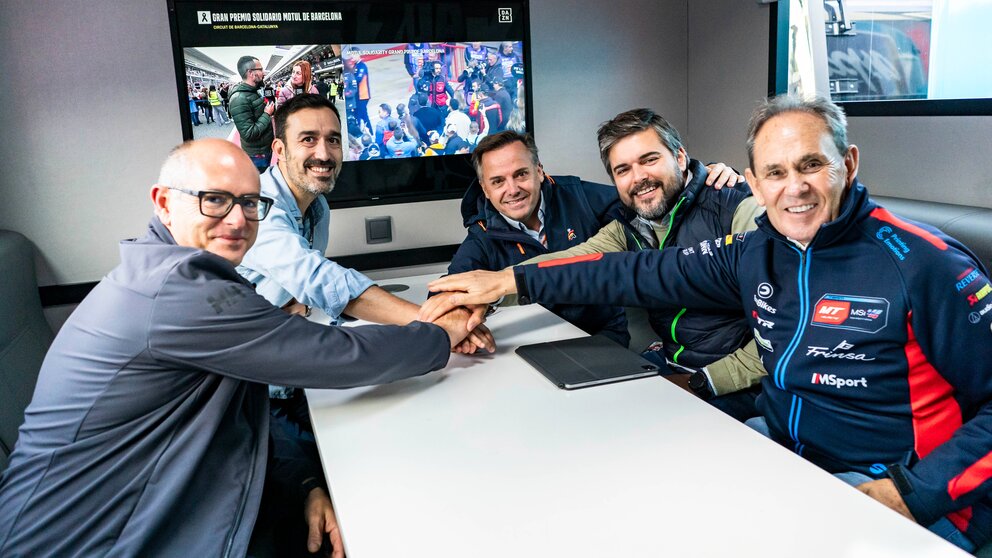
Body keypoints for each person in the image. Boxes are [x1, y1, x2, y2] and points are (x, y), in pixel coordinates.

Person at [426, 95, 992, 553]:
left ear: (848, 164)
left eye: (810, 165)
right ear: (754, 177)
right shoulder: (755, 251)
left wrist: (910, 494)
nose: (793, 188)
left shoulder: (924, 263)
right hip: (786, 451)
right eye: (775, 172)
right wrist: (506, 282)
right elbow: (625, 271)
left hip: (892, 488)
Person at [0, 138, 478, 557]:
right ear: (163, 203)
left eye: (251, 203)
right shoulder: (180, 289)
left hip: (160, 509)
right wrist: (442, 331)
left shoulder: (171, 272)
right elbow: (331, 354)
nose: (238, 220)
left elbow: (237, 415)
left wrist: (304, 482)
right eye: (214, 200)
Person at [236, 93, 493, 440]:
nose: (324, 154)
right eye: (308, 139)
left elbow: (303, 281)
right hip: (251, 390)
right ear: (279, 150)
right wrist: (431, 323)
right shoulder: (260, 207)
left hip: (289, 370)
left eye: (333, 140)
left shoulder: (317, 206)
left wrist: (289, 299)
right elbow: (316, 277)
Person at [505, 108, 766, 421]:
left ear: (680, 158)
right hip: (673, 364)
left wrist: (706, 381)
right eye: (623, 169)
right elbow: (572, 262)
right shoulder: (630, 224)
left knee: (636, 430)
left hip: (742, 385)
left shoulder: (738, 208)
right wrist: (489, 290)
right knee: (571, 410)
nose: (639, 177)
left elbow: (779, 334)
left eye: (649, 159)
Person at [229, 55, 276, 172]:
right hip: (257, 154)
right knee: (259, 182)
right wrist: (266, 114)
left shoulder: (253, 92)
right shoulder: (239, 99)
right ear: (250, 73)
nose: (263, 73)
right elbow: (248, 133)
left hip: (264, 148)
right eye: (260, 69)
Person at [343, 46, 372, 132]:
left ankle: (369, 132)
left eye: (353, 55)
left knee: (362, 115)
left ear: (358, 54)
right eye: (351, 55)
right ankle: (364, 132)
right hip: (357, 95)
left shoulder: (362, 66)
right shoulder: (355, 65)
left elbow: (358, 79)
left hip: (363, 95)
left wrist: (349, 79)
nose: (352, 57)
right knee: (359, 115)